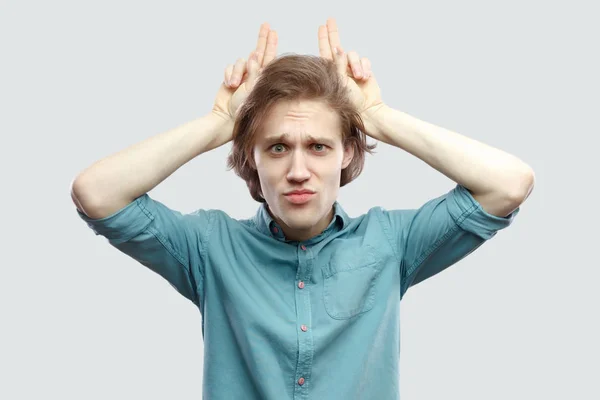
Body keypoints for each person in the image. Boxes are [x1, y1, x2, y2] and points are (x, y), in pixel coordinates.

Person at [71, 18, 535, 400]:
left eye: (317, 146)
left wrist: (376, 118)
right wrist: (219, 124)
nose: (298, 170)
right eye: (276, 147)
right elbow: (96, 193)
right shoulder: (210, 247)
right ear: (249, 155)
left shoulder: (390, 243)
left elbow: (509, 184)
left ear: (347, 153)